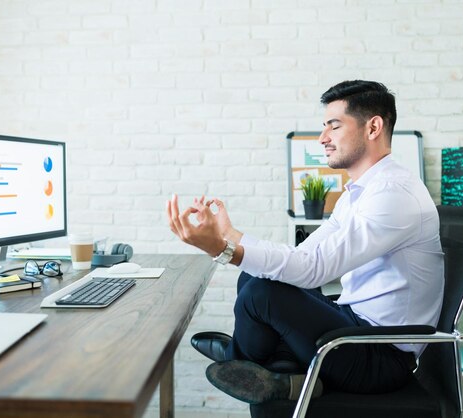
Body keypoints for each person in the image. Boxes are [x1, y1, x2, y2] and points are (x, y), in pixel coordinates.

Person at [166, 80, 444, 404]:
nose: (323, 138)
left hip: (380, 356)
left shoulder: (394, 195)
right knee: (256, 275)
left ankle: (238, 360)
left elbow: (313, 271)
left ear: (373, 127)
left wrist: (221, 249)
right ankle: (280, 375)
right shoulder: (362, 191)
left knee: (261, 293)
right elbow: (305, 255)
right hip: (355, 327)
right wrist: (231, 236)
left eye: (334, 126)